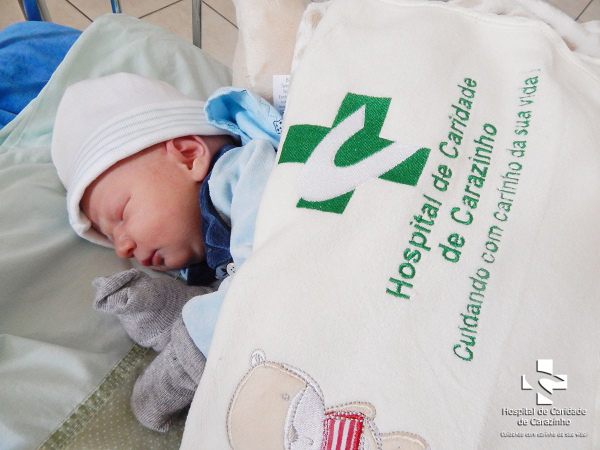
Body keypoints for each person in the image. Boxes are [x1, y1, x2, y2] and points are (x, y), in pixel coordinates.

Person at [51, 72, 282, 431]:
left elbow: (264, 278)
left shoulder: (242, 172)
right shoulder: (203, 260)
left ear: (189, 156)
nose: (122, 247)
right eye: (110, 238)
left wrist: (187, 356)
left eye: (121, 215)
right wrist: (167, 307)